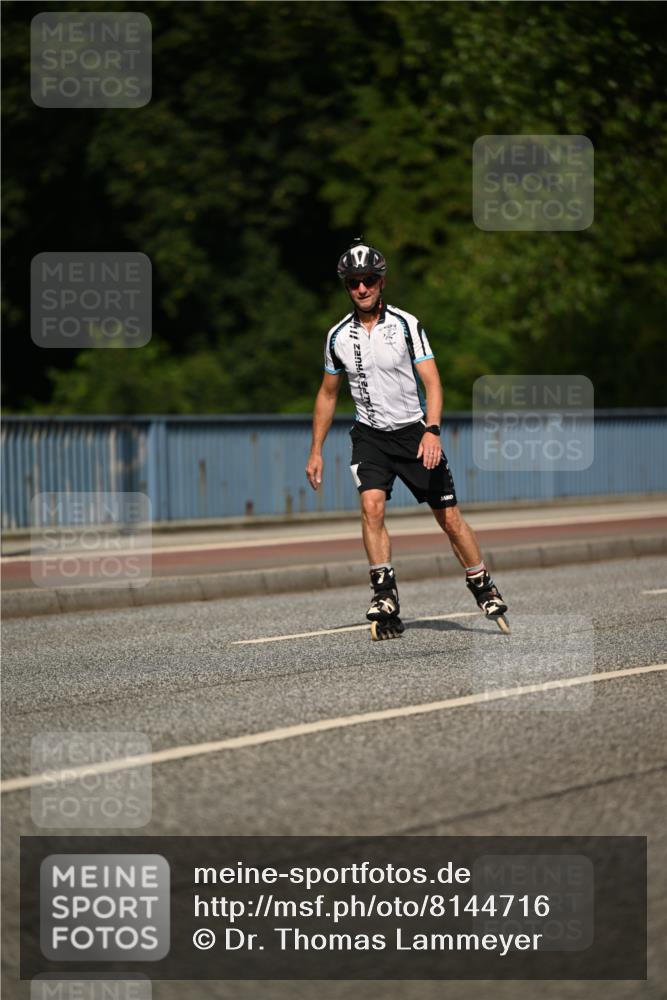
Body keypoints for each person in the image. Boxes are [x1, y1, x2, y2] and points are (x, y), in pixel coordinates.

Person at [305, 238, 508, 631]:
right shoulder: (337, 336)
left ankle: (482, 584)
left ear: (381, 282)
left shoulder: (406, 324)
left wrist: (432, 431)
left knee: (448, 518)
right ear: (345, 286)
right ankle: (384, 592)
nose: (361, 288)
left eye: (368, 280)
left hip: (414, 433)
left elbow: (432, 382)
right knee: (372, 507)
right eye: (353, 282)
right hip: (370, 436)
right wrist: (316, 450)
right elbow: (328, 394)